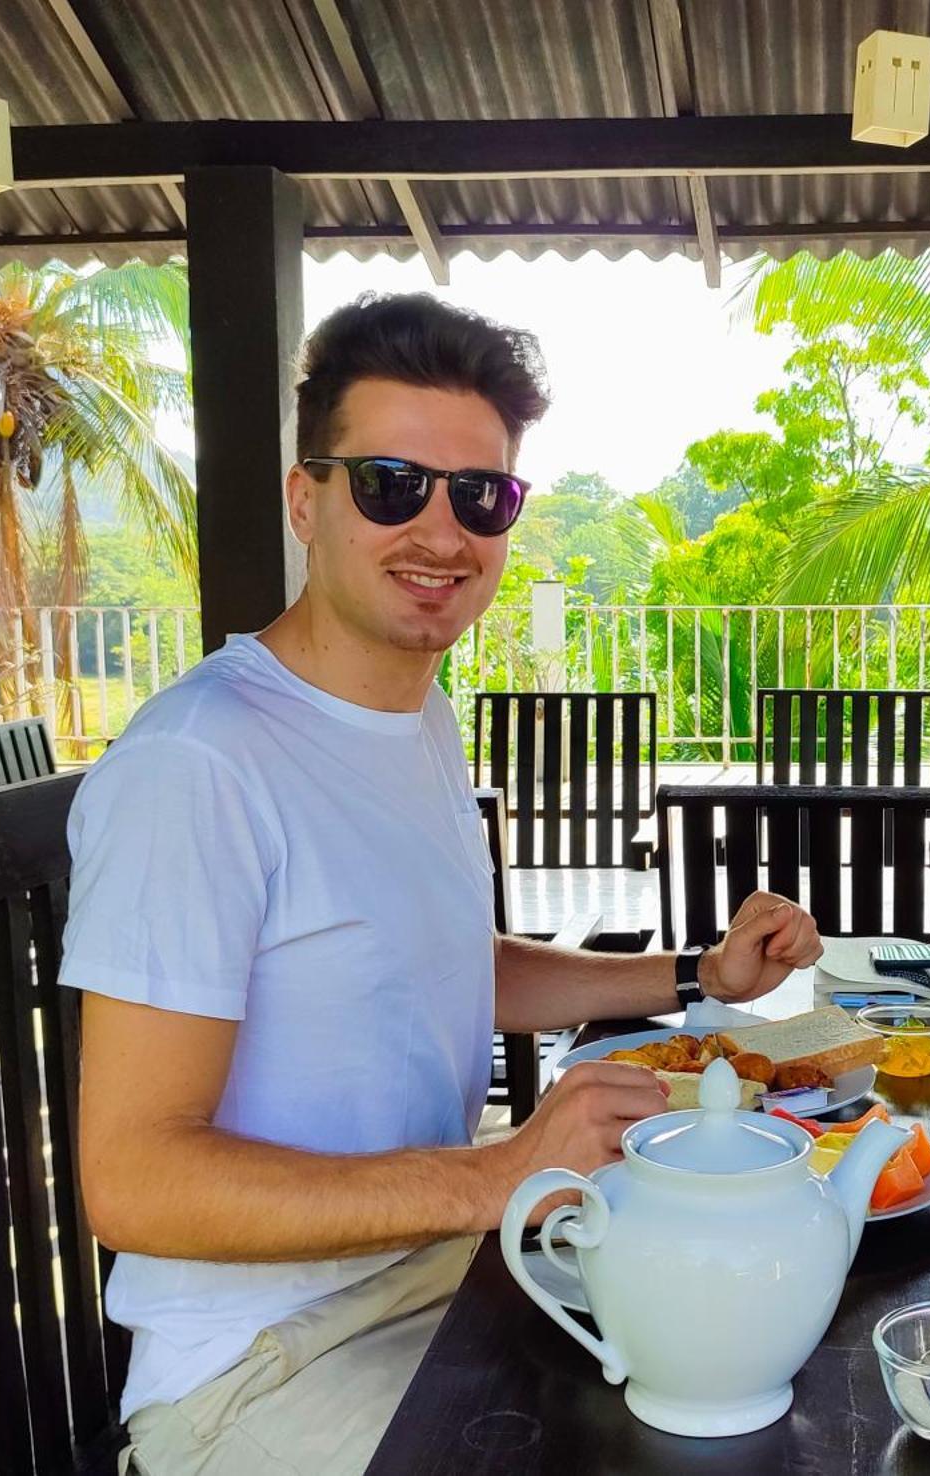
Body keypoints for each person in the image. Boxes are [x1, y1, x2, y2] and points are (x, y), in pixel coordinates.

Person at [65, 292, 823, 1475]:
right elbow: (134, 1180)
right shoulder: (196, 763)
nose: (440, 530)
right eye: (388, 484)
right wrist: (495, 1173)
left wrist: (694, 975)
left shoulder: (415, 717)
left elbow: (444, 963)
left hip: (447, 1272)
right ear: (304, 498)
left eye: (480, 496)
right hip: (264, 1367)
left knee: (773, 1339)